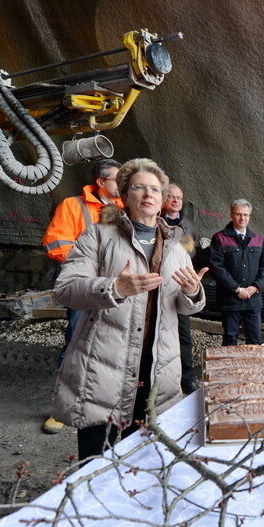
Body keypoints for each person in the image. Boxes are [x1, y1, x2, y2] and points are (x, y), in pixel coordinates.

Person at [53, 158, 207, 461]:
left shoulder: (177, 246)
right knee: (96, 465)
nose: (148, 194)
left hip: (158, 372)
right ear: (124, 195)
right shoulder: (98, 236)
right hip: (104, 371)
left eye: (154, 189)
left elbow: (186, 307)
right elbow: (65, 289)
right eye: (139, 187)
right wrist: (114, 288)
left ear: (162, 200)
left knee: (142, 464)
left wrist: (194, 293)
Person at [40, 158, 123, 433]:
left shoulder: (126, 207)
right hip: (86, 289)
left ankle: (109, 405)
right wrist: (91, 268)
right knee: (78, 345)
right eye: (117, 179)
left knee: (115, 346)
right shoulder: (73, 206)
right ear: (101, 182)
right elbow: (56, 243)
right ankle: (63, 409)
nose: (123, 184)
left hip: (119, 289)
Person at [209, 199, 264, 345]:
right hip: (230, 300)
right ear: (231, 215)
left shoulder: (258, 239)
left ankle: (252, 368)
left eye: (245, 215)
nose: (242, 218)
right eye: (238, 214)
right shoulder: (220, 238)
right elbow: (216, 267)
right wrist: (236, 289)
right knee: (230, 337)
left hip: (253, 300)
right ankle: (229, 368)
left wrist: (255, 287)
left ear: (249, 216)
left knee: (254, 338)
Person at [162, 182, 199, 394]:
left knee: (184, 335)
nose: (176, 200)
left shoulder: (187, 225)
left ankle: (187, 378)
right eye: (172, 196)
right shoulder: (154, 221)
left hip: (179, 288)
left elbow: (190, 254)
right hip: (159, 287)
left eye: (179, 197)